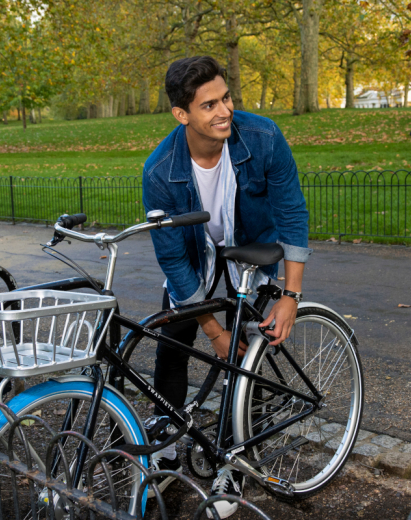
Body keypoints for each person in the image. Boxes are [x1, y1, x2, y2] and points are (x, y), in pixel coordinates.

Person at [142, 56, 311, 518]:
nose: (224, 111)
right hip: (196, 254)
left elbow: (292, 211)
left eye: (227, 97)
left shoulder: (262, 136)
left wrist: (290, 297)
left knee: (247, 352)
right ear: (182, 114)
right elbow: (174, 258)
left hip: (249, 248)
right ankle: (167, 440)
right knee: (172, 340)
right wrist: (211, 330)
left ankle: (236, 461)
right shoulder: (159, 172)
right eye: (209, 104)